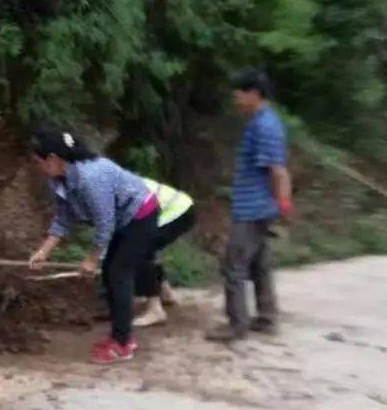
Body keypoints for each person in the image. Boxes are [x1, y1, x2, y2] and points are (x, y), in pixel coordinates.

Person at [28, 126, 158, 365]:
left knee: (119, 273)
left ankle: (122, 344)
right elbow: (63, 217)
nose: (38, 167)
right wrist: (44, 251)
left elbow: (105, 223)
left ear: (53, 159)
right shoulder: (58, 180)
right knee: (111, 273)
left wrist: (91, 258)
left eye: (38, 162)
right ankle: (122, 336)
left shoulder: (91, 178)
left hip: (140, 215)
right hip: (121, 219)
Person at [207, 69, 292, 344]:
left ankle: (236, 325)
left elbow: (277, 171)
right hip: (257, 206)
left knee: (234, 265)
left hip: (253, 209)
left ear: (254, 94)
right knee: (259, 264)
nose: (236, 102)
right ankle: (267, 318)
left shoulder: (265, 126)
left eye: (239, 96)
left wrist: (283, 203)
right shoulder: (261, 122)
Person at [134, 178, 197, 328]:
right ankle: (165, 293)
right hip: (183, 207)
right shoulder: (116, 180)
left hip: (176, 211)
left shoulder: (111, 188)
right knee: (147, 249)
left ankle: (155, 310)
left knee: (140, 252)